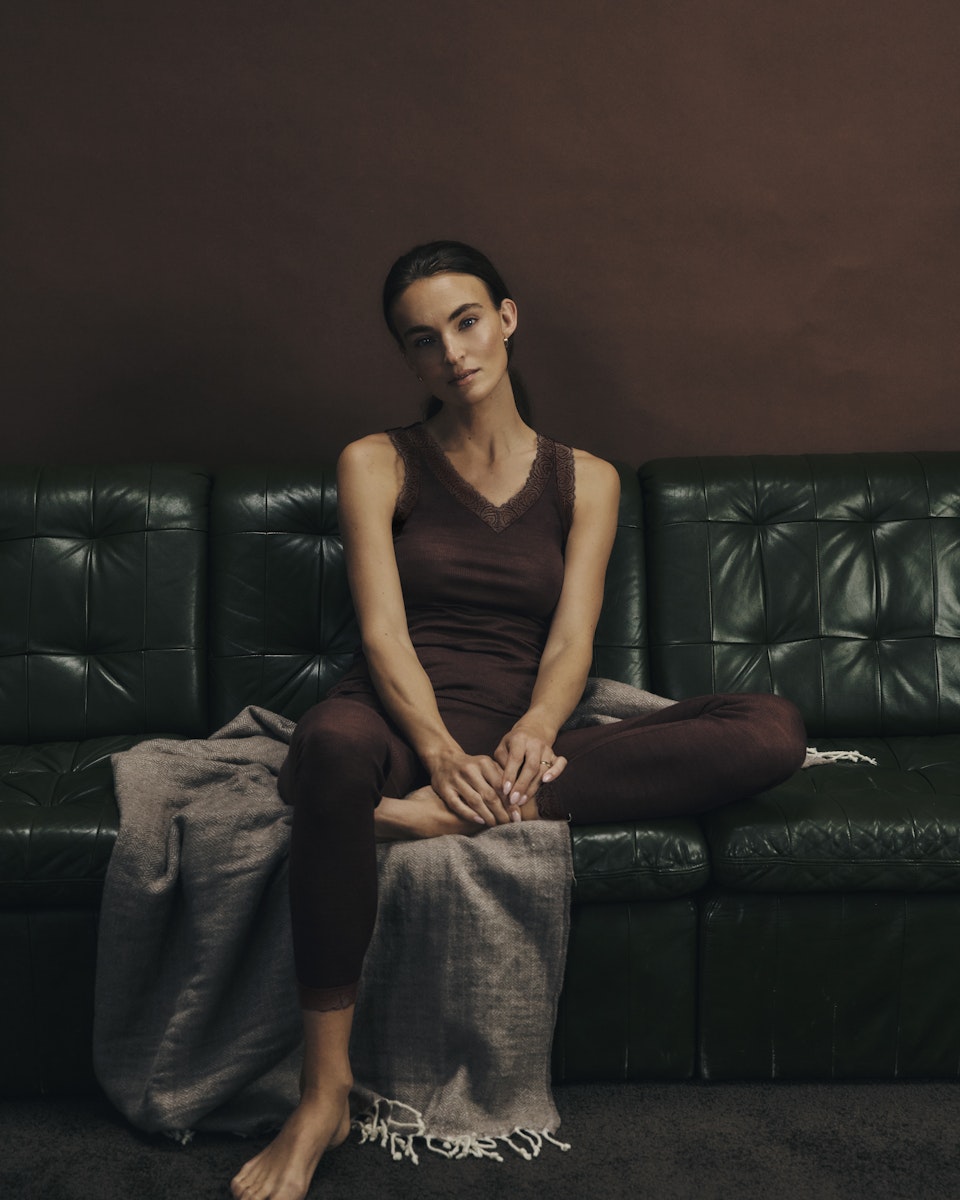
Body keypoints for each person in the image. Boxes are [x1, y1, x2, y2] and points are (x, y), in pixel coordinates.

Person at [229, 241, 806, 1200]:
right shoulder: (376, 461)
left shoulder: (589, 478)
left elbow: (574, 638)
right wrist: (439, 751)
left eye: (465, 322)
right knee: (328, 747)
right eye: (423, 341)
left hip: (521, 742)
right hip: (399, 718)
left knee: (772, 726)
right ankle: (322, 1095)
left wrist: (537, 727)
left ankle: (408, 817)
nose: (452, 353)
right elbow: (380, 633)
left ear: (506, 317)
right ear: (409, 361)